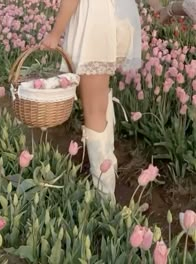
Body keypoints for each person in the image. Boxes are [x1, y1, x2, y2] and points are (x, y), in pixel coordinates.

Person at [40, 0, 141, 199]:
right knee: (98, 99)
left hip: (94, 22)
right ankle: (107, 169)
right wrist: (160, 9)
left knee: (93, 109)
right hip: (115, 14)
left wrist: (55, 34)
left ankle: (104, 196)